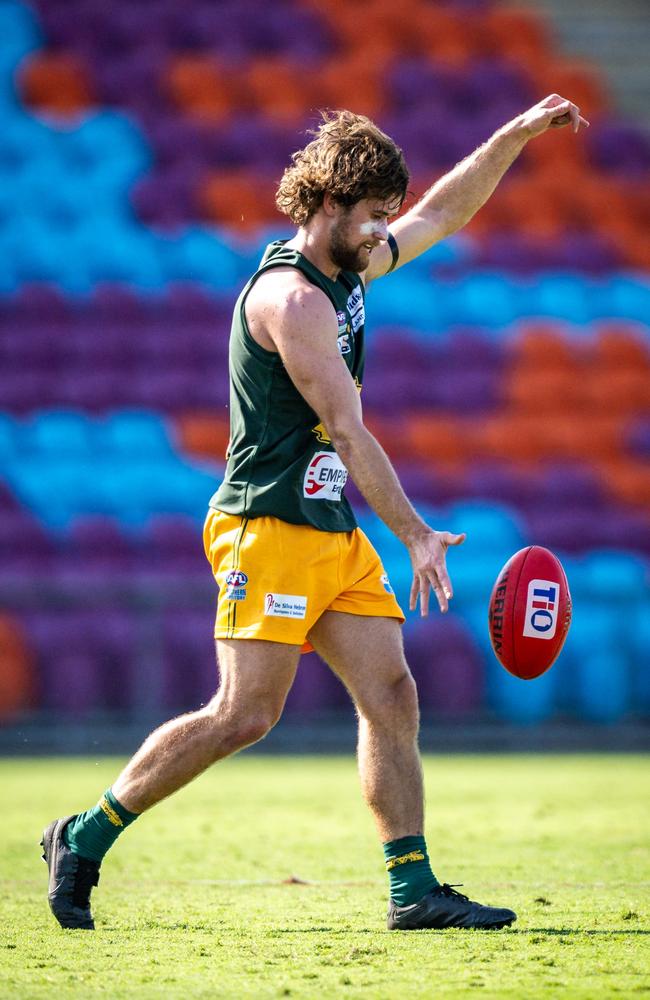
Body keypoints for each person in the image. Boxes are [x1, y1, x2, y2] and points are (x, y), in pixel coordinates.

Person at [42, 94, 588, 932]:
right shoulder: (292, 302)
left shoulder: (348, 266)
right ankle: (82, 835)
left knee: (393, 693)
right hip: (268, 527)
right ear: (331, 204)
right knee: (246, 714)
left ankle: (413, 890)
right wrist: (413, 532)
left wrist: (512, 135)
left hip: (330, 527)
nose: (382, 234)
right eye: (373, 218)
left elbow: (444, 210)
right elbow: (344, 425)